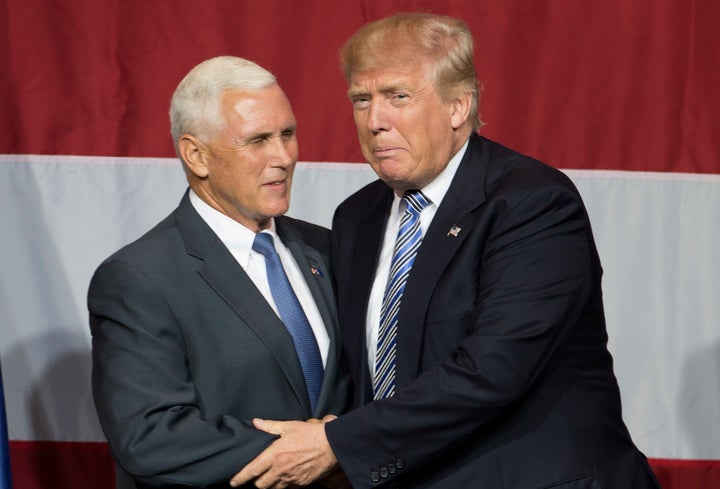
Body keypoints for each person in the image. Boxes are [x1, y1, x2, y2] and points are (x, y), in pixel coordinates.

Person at [231, 13, 662, 489]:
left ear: (458, 106)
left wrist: (337, 444)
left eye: (398, 96)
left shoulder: (531, 202)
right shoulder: (357, 217)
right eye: (361, 99)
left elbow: (491, 370)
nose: (375, 121)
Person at [88, 55, 350, 489]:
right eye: (258, 140)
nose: (283, 157)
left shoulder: (326, 248)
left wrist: (348, 446)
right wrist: (320, 450)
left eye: (287, 134)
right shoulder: (138, 278)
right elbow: (149, 437)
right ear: (196, 155)